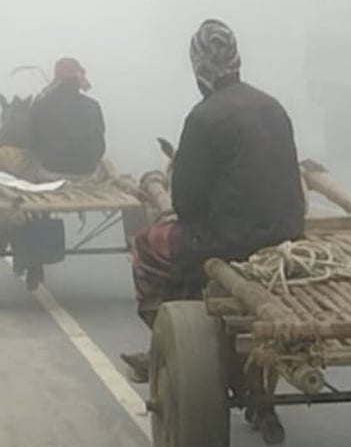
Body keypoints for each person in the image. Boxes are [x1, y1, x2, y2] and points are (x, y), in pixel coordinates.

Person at [122, 19, 306, 385]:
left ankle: (165, 345)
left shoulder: (204, 117)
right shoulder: (272, 107)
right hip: (289, 232)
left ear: (199, 69)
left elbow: (186, 202)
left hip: (231, 239)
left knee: (145, 245)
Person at [28, 57, 106, 176]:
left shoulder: (41, 104)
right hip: (86, 173)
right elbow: (100, 146)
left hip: (50, 172)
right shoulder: (93, 106)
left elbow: (32, 142)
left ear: (57, 78)